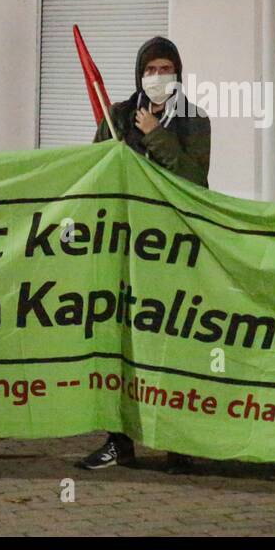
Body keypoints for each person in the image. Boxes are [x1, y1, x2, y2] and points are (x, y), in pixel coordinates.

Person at [78, 36, 210, 472]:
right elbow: (95, 169)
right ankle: (119, 440)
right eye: (150, 69)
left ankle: (178, 442)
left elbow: (193, 179)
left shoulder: (193, 121)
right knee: (120, 343)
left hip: (169, 247)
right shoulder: (117, 116)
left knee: (172, 342)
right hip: (122, 244)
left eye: (165, 68)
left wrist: (157, 137)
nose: (158, 77)